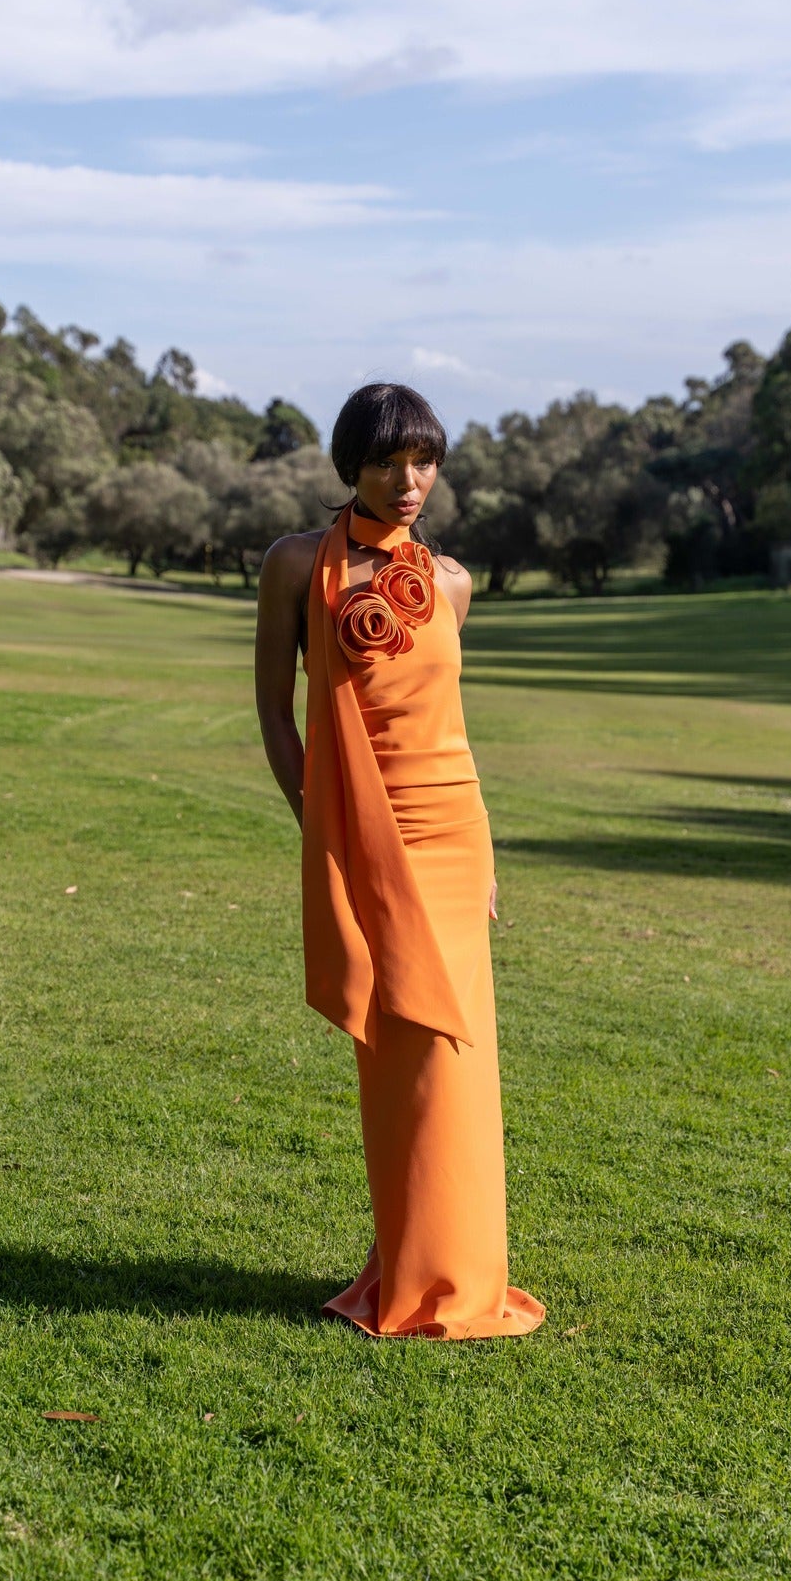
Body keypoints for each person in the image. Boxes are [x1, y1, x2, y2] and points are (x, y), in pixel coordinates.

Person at [254, 382, 544, 1339]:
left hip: (454, 836)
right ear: (352, 467)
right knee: (400, 1059)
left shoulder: (453, 582)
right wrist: (323, 824)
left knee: (458, 1063)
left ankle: (455, 1274)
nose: (409, 480)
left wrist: (489, 857)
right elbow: (273, 712)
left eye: (424, 461)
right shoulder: (296, 565)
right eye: (387, 463)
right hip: (365, 837)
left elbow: (450, 729)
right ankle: (418, 1266)